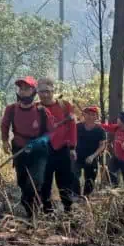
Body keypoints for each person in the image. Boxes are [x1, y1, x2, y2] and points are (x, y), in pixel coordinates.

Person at [0, 76, 54, 218]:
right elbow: (4, 125)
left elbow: (51, 132)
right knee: (22, 183)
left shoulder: (42, 111)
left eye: (27, 89)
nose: (23, 92)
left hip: (38, 152)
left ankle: (34, 212)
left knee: (35, 183)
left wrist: (42, 140)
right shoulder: (11, 109)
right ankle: (31, 212)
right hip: (19, 149)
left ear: (33, 91)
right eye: (21, 89)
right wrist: (5, 141)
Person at [36, 78, 78, 213]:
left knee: (65, 181)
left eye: (48, 91)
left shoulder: (65, 106)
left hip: (62, 149)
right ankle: (47, 211)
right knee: (44, 182)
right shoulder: (36, 108)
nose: (45, 95)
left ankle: (68, 209)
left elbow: (72, 127)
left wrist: (72, 147)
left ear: (53, 91)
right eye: (42, 91)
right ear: (38, 92)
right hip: (43, 151)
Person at [75, 106, 108, 196]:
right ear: (84, 115)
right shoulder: (77, 127)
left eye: (93, 115)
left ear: (96, 117)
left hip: (91, 158)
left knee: (89, 181)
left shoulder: (100, 130)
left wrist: (93, 156)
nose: (90, 117)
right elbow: (71, 139)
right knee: (73, 178)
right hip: (77, 157)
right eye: (88, 114)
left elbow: (102, 146)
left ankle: (86, 199)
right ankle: (75, 198)